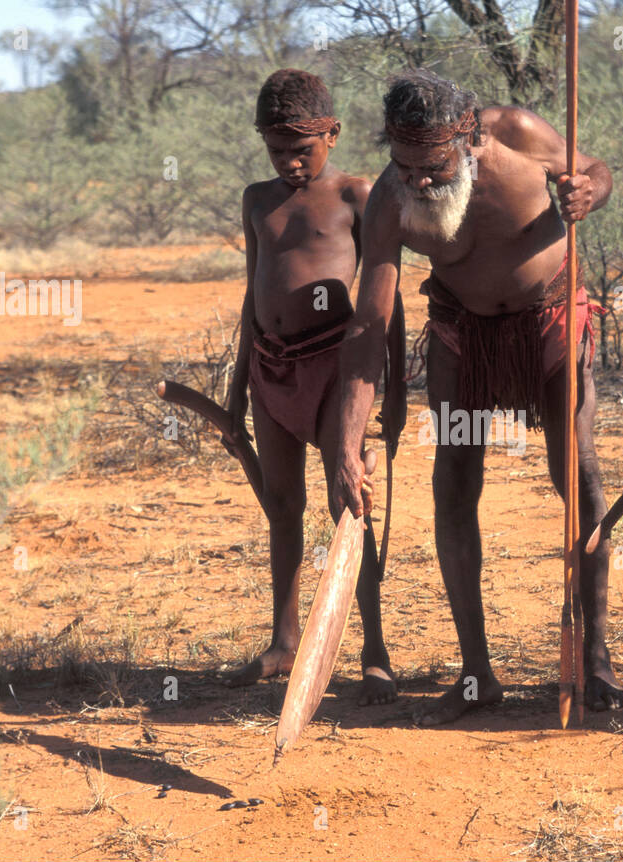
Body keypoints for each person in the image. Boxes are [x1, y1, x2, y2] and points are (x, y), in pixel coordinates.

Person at [331, 69, 623, 725]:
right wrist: (348, 443)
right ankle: (476, 673)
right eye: (404, 167)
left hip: (548, 320)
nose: (421, 183)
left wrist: (589, 192)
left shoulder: (519, 134)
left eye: (433, 167)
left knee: (575, 474)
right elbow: (368, 327)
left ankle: (596, 658)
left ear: (468, 137)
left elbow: (595, 169)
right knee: (454, 480)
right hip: (463, 333)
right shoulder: (389, 203)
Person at [223, 68, 403, 705]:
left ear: (333, 132)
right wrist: (237, 388)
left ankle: (375, 651)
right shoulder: (255, 200)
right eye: (277, 150)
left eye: (303, 148)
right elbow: (253, 293)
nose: (290, 162)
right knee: (282, 510)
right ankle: (283, 641)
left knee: (349, 503)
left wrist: (395, 391)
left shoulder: (359, 194)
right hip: (271, 367)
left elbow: (387, 301)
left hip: (334, 369)